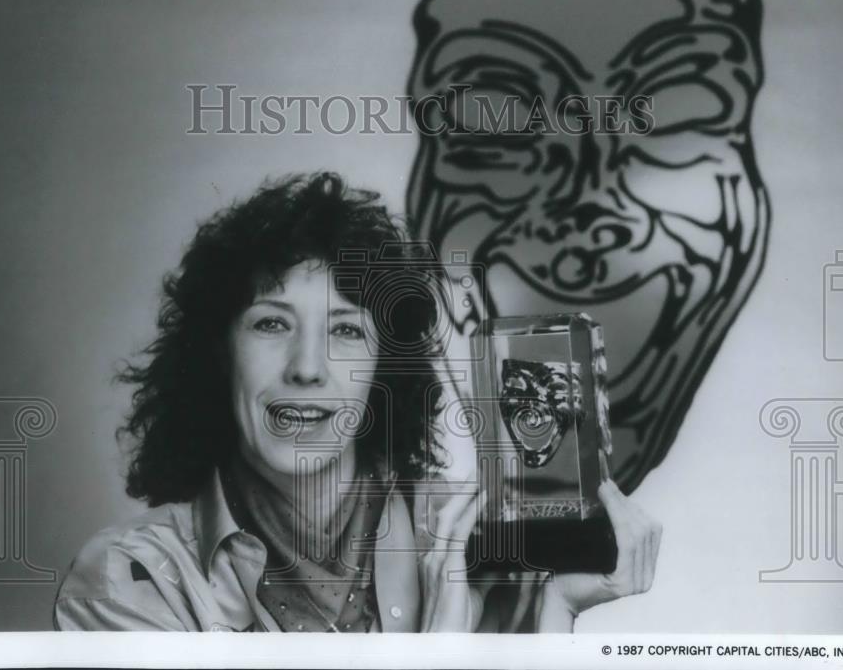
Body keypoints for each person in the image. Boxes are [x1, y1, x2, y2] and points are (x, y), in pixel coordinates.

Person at [53, 172, 661, 632]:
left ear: (384, 370)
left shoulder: (488, 547)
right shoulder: (127, 580)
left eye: (346, 330)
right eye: (270, 324)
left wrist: (558, 606)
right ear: (217, 353)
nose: (308, 369)